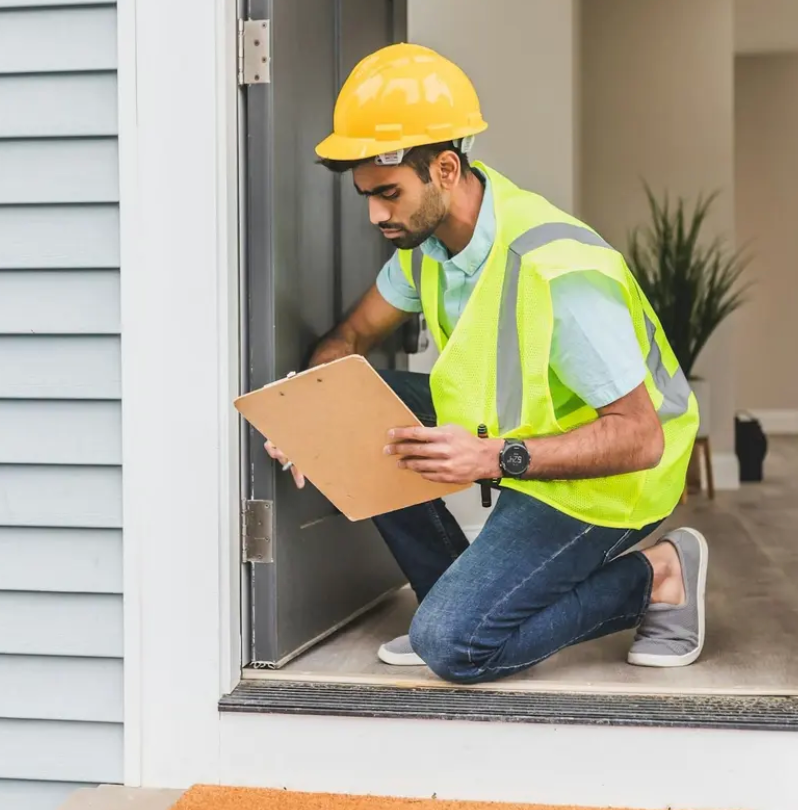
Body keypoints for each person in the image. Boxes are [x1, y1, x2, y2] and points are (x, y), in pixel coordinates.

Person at [264, 43, 708, 685]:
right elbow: (352, 334)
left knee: (454, 646)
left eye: (388, 193)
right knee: (358, 404)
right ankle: (458, 596)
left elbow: (639, 438)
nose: (375, 215)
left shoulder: (556, 271)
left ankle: (660, 574)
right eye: (367, 196)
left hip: (611, 481)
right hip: (519, 446)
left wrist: (497, 457)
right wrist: (312, 415)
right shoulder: (426, 248)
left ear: (445, 169)